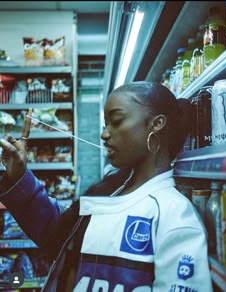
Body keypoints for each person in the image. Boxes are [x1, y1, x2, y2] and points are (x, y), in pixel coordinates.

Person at [0, 81, 213, 292]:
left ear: (156, 124)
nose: (104, 134)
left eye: (117, 121)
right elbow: (54, 235)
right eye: (106, 124)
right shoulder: (105, 194)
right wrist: (19, 175)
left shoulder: (174, 216)